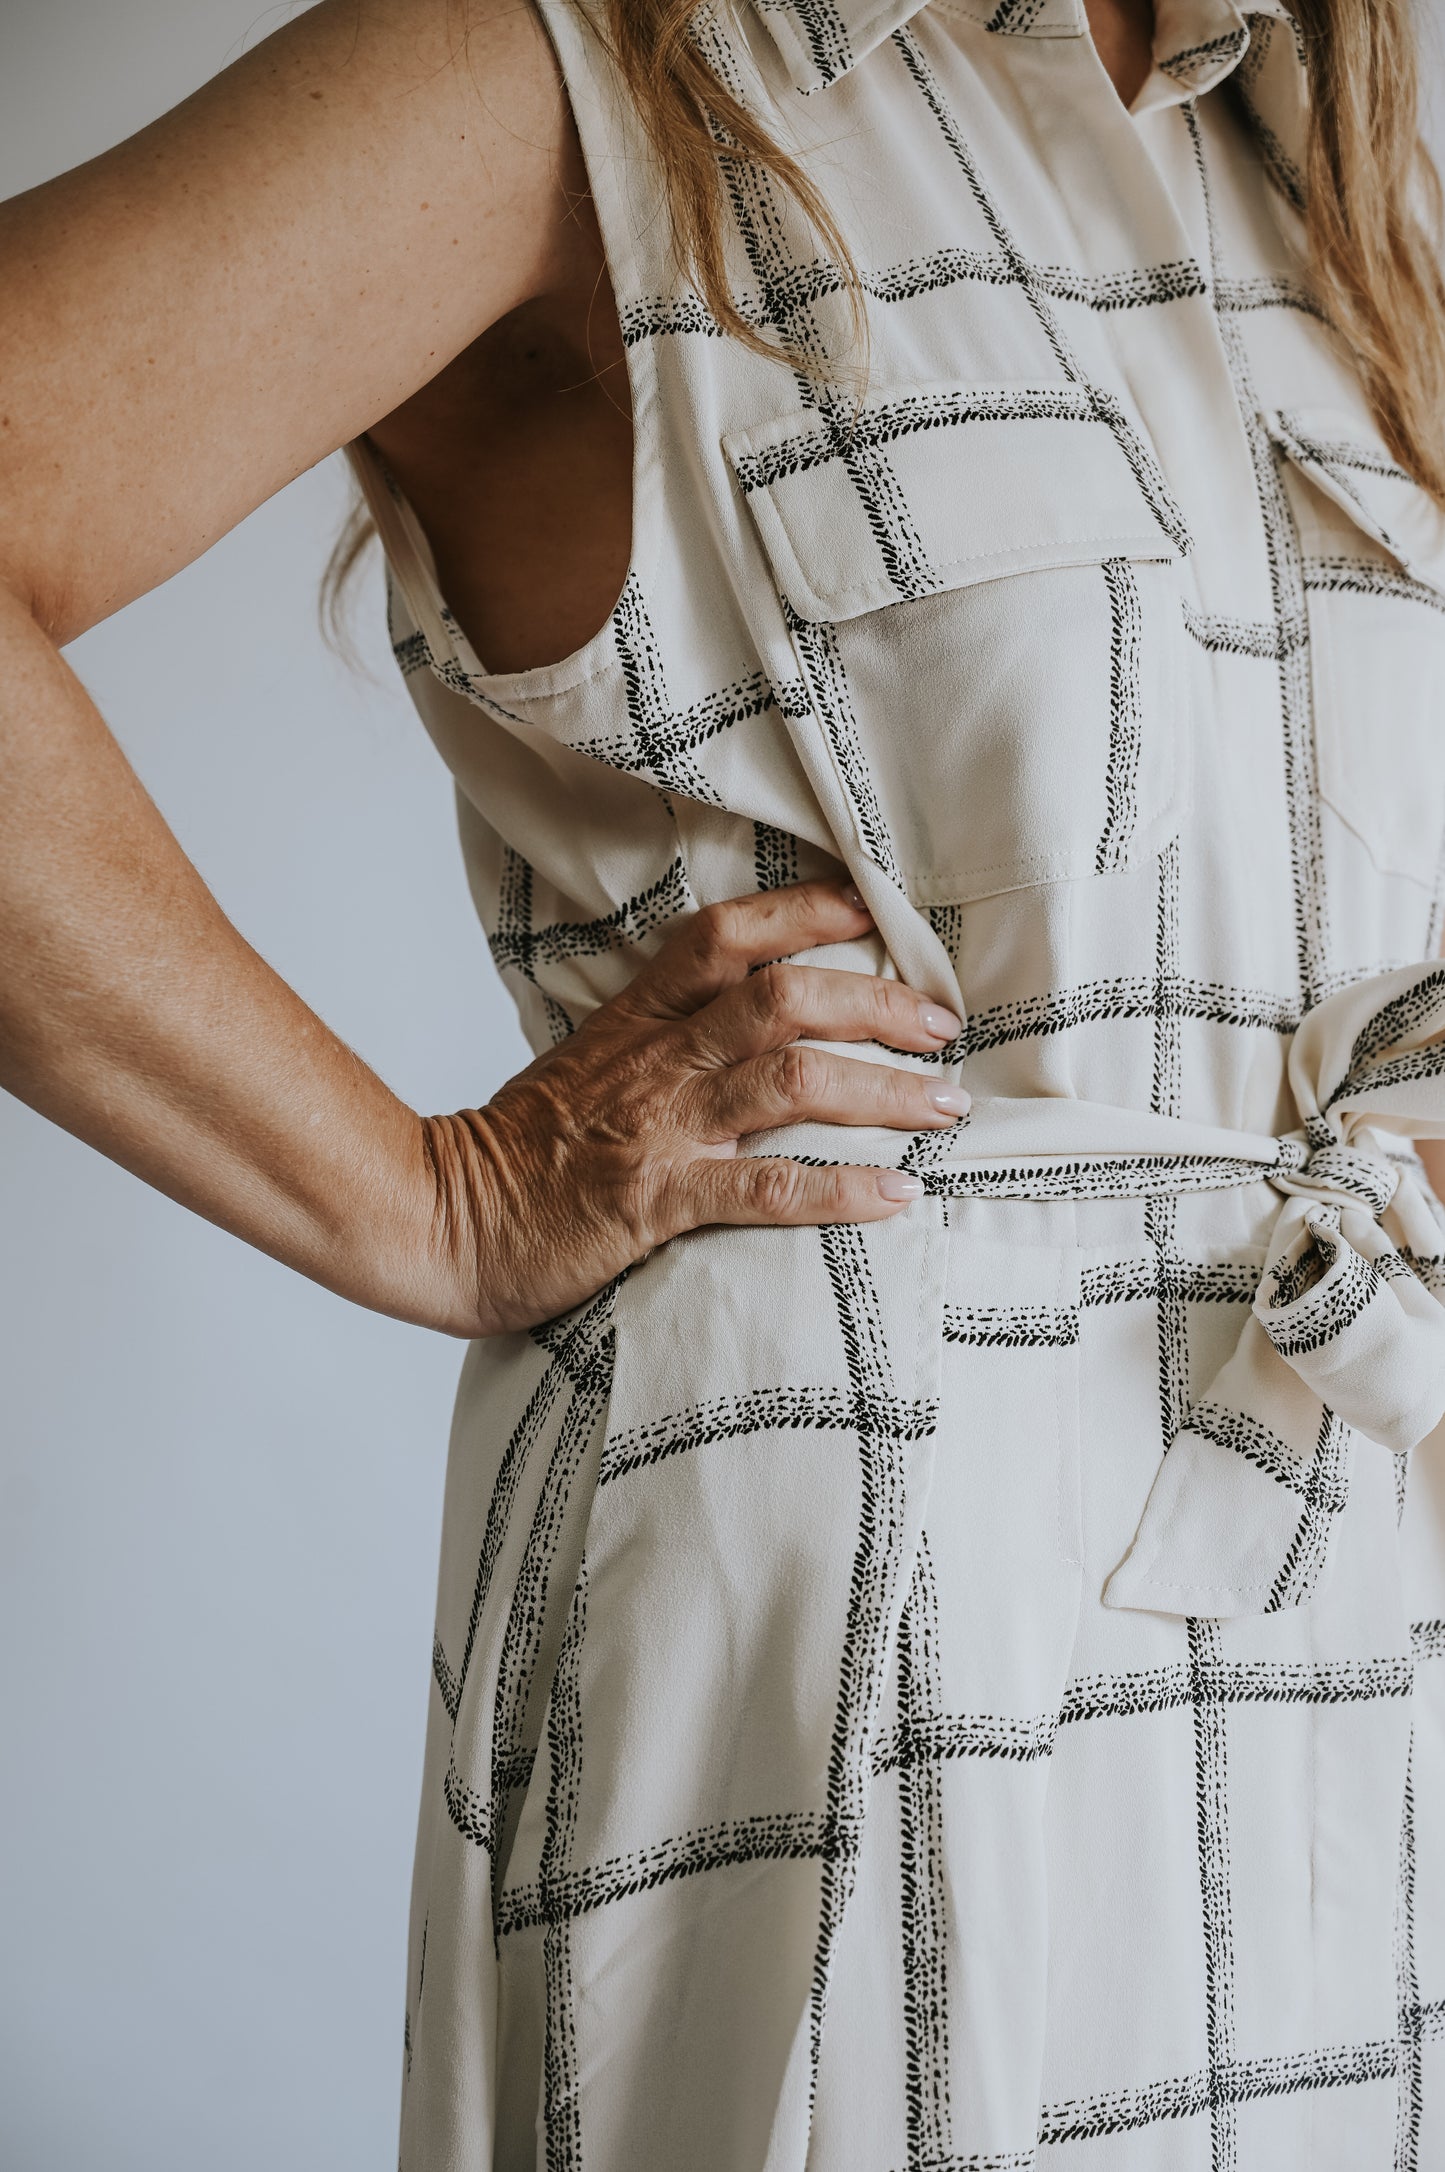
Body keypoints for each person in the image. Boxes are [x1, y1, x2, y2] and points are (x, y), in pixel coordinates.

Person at [5, 0, 1445, 2161]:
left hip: (1346, 1569)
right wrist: (435, 1198)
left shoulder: (1319, 148)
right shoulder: (574, 61)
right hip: (870, 1576)